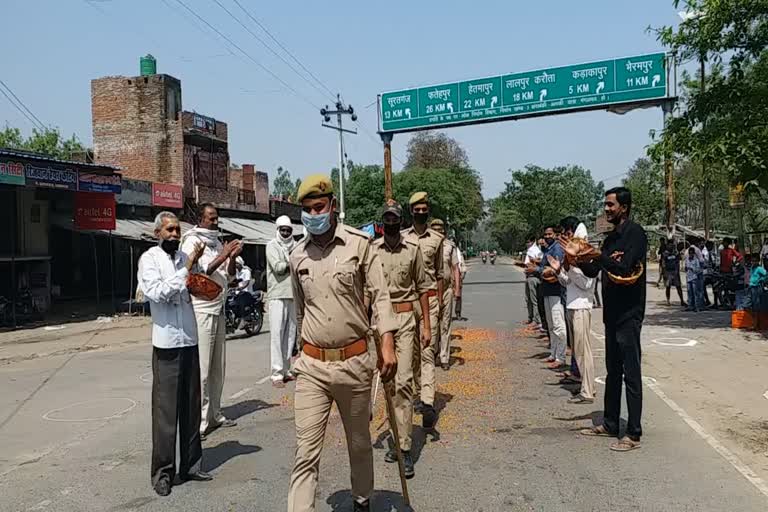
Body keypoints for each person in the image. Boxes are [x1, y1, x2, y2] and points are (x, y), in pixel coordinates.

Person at [287, 175, 398, 512]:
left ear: (332, 206)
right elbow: (300, 310)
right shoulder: (297, 256)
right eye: (306, 209)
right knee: (305, 451)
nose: (312, 214)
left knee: (359, 443)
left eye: (318, 207)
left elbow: (380, 297)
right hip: (312, 367)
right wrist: (298, 352)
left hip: (354, 363)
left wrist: (388, 344)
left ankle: (361, 499)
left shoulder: (359, 244)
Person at [138, 212, 211, 497]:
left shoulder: (184, 259)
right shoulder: (149, 260)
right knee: (166, 412)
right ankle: (163, 473)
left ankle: (191, 465)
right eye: (169, 230)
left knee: (191, 407)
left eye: (178, 229)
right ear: (158, 233)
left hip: (189, 339)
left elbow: (196, 287)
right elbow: (157, 293)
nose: (175, 234)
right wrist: (187, 270)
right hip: (167, 344)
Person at [581, 187, 647, 452]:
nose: (606, 209)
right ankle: (610, 423)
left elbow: (626, 266)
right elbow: (595, 270)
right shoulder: (608, 240)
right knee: (613, 371)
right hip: (611, 314)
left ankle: (633, 432)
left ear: (624, 207)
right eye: (605, 205)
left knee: (631, 373)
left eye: (610, 205)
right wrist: (576, 259)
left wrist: (602, 257)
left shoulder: (635, 234)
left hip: (630, 314)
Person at [371, 200, 430, 478]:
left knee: (405, 381)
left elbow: (423, 290)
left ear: (401, 220)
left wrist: (426, 326)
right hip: (381, 323)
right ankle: (395, 434)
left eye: (395, 218)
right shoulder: (371, 252)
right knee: (389, 381)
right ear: (382, 222)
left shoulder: (413, 250)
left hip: (407, 319)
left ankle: (405, 447)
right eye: (387, 218)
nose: (391, 223)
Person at [181, 203, 241, 438]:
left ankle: (215, 413)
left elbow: (230, 275)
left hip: (220, 305)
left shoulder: (216, 241)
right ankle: (201, 421)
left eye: (217, 218)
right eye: (211, 219)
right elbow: (200, 271)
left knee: (218, 366)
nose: (215, 222)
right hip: (202, 308)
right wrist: (224, 254)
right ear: (200, 219)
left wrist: (232, 257)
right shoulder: (192, 240)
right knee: (203, 368)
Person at [403, 191, 444, 428]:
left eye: (424, 209)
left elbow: (439, 274)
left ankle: (428, 401)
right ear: (411, 212)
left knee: (428, 351)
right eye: (417, 210)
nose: (421, 213)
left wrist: (439, 301)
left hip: (430, 302)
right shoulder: (402, 238)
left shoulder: (436, 240)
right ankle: (420, 391)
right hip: (409, 303)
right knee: (414, 355)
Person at [548, 236, 595, 405]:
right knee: (578, 350)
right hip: (573, 306)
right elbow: (567, 282)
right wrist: (559, 270)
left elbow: (586, 284)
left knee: (584, 352)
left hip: (582, 308)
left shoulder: (588, 265)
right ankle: (586, 385)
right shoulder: (574, 267)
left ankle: (588, 390)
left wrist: (571, 268)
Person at [266, 215, 298, 387]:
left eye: (288, 230)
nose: (285, 233)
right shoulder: (272, 246)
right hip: (277, 295)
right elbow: (278, 268)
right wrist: (292, 261)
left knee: (291, 335)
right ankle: (276, 373)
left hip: (292, 294)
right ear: (277, 230)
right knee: (277, 335)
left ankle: (286, 369)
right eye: (283, 230)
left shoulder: (295, 246)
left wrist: (290, 261)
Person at [430, 218, 462, 371]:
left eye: (441, 229)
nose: (438, 231)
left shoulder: (450, 246)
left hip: (447, 290)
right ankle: (432, 353)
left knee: (445, 324)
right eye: (435, 229)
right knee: (431, 325)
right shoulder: (425, 246)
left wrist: (457, 289)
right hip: (430, 291)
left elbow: (455, 268)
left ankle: (444, 357)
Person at [536, 225, 567, 369]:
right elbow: (546, 270)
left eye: (550, 234)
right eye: (545, 234)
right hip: (547, 291)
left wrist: (539, 270)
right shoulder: (548, 249)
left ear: (555, 234)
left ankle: (561, 357)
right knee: (551, 325)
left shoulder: (557, 249)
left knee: (558, 325)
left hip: (556, 292)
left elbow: (555, 270)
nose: (547, 236)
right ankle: (553, 353)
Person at [523, 235, 543, 326]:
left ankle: (536, 319)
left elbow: (539, 262)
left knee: (534, 299)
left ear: (533, 241)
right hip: (528, 276)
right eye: (526, 242)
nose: (527, 244)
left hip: (533, 276)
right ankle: (530, 317)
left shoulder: (535, 250)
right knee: (528, 299)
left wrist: (534, 264)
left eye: (529, 242)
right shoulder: (529, 250)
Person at [663, 240, 686, 307]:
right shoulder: (665, 253)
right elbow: (663, 264)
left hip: (675, 272)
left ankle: (682, 301)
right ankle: (668, 301)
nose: (670, 246)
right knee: (668, 287)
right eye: (669, 245)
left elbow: (679, 259)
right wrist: (664, 273)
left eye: (672, 245)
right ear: (667, 245)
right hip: (668, 272)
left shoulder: (676, 252)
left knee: (678, 287)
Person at [685, 246, 703, 312]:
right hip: (688, 277)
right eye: (690, 253)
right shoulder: (687, 259)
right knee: (689, 292)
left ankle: (697, 306)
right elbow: (685, 267)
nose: (691, 255)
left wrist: (692, 268)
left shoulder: (696, 260)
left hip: (694, 277)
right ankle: (690, 306)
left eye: (692, 253)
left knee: (695, 292)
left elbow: (698, 269)